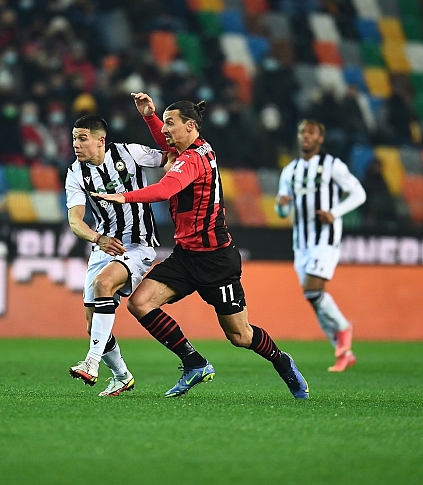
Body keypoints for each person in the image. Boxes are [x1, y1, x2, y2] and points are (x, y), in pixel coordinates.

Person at [91, 93, 309, 399]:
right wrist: (149, 116)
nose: (164, 130)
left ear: (190, 126)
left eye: (170, 123)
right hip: (185, 256)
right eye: (164, 124)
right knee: (140, 303)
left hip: (216, 259)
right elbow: (168, 145)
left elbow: (165, 189)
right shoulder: (190, 149)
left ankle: (282, 361)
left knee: (240, 335)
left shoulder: (193, 159)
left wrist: (123, 196)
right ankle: (194, 363)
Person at [66, 114, 165, 397]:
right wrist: (99, 239)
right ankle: (122, 376)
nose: (76, 144)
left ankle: (91, 362)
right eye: (74, 139)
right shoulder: (76, 173)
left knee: (104, 284)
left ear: (101, 140)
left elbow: (171, 157)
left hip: (138, 244)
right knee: (92, 325)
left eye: (82, 138)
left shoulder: (130, 153)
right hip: (103, 245)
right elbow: (75, 221)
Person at [275, 120, 367, 372]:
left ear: (320, 139)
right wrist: (281, 205)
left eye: (311, 133)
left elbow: (359, 193)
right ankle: (343, 352)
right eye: (302, 132)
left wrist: (334, 213)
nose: (306, 136)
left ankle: (344, 329)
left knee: (314, 290)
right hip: (301, 242)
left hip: (325, 238)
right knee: (312, 297)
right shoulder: (290, 170)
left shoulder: (332, 165)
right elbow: (281, 211)